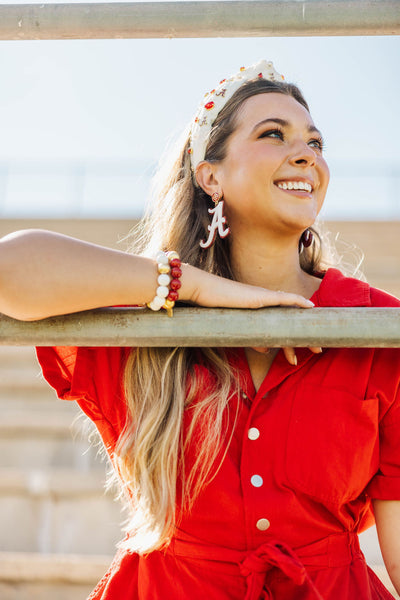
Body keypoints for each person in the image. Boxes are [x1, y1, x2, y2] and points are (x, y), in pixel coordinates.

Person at [0, 59, 399, 600]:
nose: (306, 154)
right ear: (210, 175)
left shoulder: (377, 326)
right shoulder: (147, 319)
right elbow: (9, 271)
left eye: (315, 141)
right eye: (272, 134)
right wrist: (198, 290)